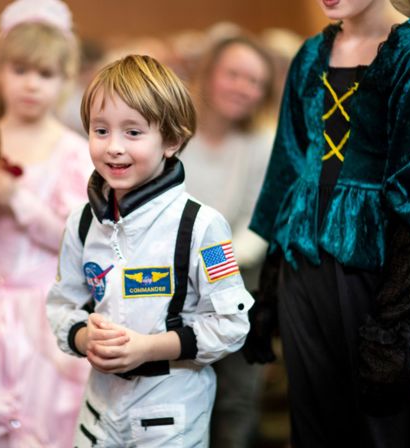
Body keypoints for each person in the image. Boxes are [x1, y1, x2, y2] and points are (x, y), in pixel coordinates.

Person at [244, 0, 410, 447]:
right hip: (303, 271)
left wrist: (388, 329)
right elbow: (287, 172)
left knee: (385, 433)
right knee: (313, 432)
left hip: (383, 278)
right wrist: (268, 291)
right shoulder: (309, 56)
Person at [46, 54, 254, 447]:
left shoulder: (202, 226)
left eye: (133, 133)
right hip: (99, 411)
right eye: (100, 130)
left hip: (171, 412)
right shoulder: (83, 221)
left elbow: (231, 324)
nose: (114, 148)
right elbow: (61, 304)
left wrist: (148, 348)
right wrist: (83, 338)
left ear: (172, 140)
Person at [0, 1, 92, 446]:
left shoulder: (75, 153)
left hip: (46, 310)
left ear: (65, 79)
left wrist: (17, 199)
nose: (31, 85)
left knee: (46, 421)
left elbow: (79, 240)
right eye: (20, 70)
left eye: (45, 74)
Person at [180, 35, 276, 448]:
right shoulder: (174, 133)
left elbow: (258, 226)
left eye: (255, 81)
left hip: (235, 281)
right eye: (233, 74)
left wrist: (211, 267)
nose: (243, 87)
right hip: (169, 281)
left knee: (236, 400)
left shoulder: (262, 143)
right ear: (208, 74)